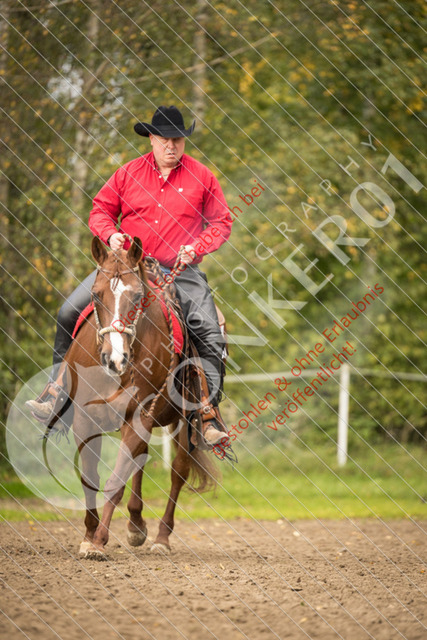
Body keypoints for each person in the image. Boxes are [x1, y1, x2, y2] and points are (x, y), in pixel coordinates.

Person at [26, 105, 232, 447]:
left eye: (177, 139)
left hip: (180, 271)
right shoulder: (127, 174)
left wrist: (197, 247)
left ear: (184, 141)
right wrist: (110, 236)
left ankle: (207, 415)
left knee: (210, 332)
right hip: (125, 268)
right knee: (67, 312)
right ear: (151, 139)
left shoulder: (202, 176)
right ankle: (56, 393)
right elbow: (100, 210)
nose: (171, 146)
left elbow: (222, 222)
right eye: (164, 139)